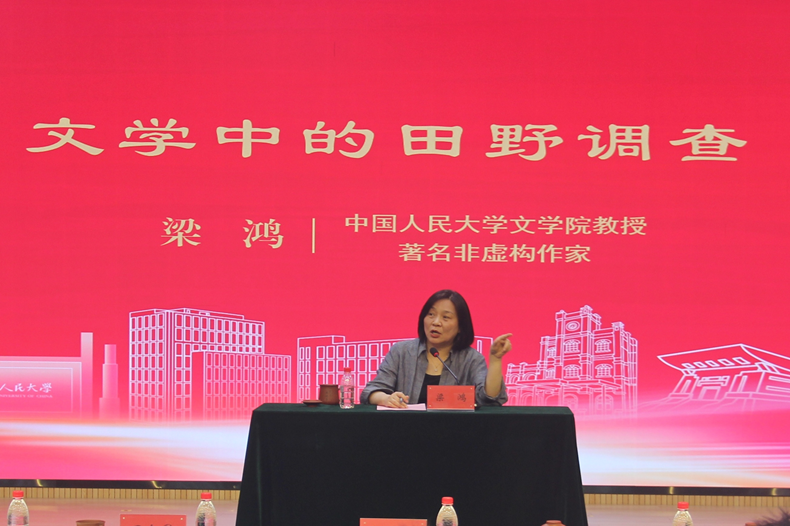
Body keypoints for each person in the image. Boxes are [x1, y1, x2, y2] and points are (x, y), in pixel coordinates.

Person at [360, 289, 511, 407]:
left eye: (446, 317)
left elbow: (490, 399)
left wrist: (496, 359)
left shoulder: (471, 359)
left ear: (460, 326)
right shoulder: (402, 352)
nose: (436, 322)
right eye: (431, 314)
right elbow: (370, 392)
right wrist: (386, 399)